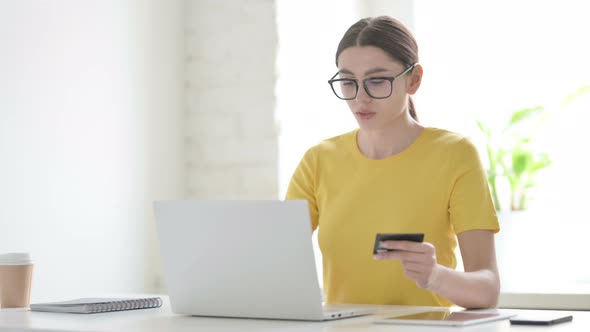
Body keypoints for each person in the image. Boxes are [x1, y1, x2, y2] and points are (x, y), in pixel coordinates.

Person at [286, 16, 500, 309]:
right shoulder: (318, 160)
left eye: (377, 80)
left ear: (413, 80)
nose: (361, 98)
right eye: (348, 82)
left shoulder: (455, 154)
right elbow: (276, 262)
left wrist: (435, 276)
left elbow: (487, 289)